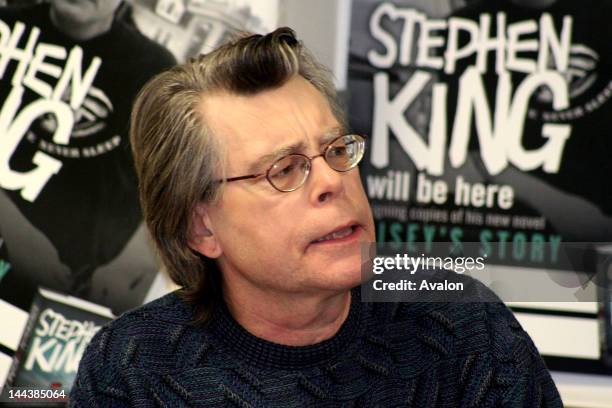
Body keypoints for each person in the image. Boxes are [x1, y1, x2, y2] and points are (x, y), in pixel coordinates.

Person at [70, 28, 562, 407]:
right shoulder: (131, 370)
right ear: (201, 227)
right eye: (285, 169)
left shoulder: (463, 322)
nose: (333, 181)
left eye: (337, 149)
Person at [0, 0, 176, 312]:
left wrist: (126, 270)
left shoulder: (152, 69)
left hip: (69, 295)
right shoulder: (5, 29)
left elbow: (167, 186)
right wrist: (15, 230)